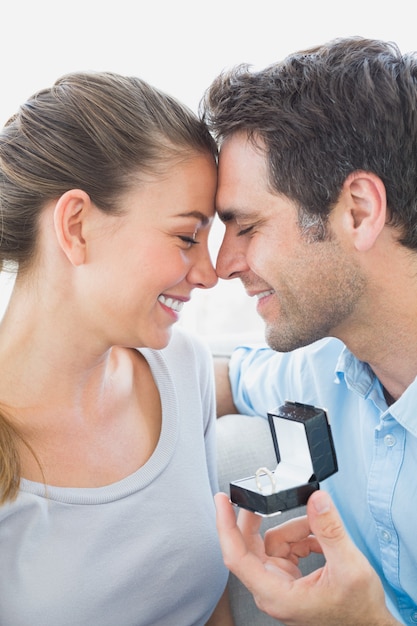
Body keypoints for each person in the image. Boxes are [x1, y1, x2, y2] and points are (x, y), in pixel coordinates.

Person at [0, 71, 234, 626]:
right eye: (186, 237)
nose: (209, 272)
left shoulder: (184, 367)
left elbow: (214, 606)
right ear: (76, 225)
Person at [200, 36, 417, 625]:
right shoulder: (320, 370)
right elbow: (221, 379)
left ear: (358, 212)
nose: (222, 265)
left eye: (245, 226)